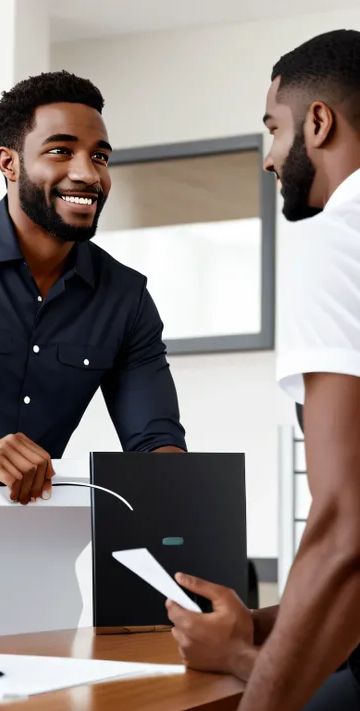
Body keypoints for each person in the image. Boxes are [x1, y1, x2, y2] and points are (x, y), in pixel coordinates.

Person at [0, 70, 186, 643]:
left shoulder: (126, 299)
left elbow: (157, 445)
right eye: (61, 151)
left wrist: (171, 525)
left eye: (100, 156)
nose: (87, 173)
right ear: (9, 163)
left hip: (34, 599)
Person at [166, 29, 360, 710]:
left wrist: (255, 675)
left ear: (318, 121)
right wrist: (258, 632)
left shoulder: (339, 235)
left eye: (273, 129)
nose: (271, 158)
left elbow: (345, 529)